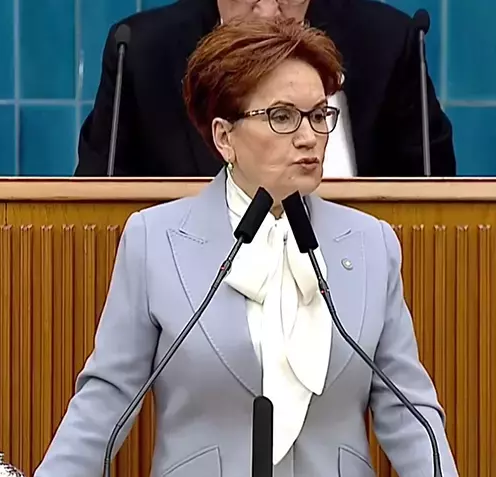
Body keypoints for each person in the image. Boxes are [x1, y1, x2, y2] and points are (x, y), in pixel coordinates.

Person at [36, 18, 458, 477]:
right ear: (224, 137)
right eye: (282, 116)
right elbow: (106, 401)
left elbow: (409, 412)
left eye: (319, 115)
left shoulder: (371, 244)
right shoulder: (155, 240)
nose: (308, 137)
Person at [74, 0, 456, 178]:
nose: (269, 9)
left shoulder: (386, 42)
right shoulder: (142, 51)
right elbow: (97, 199)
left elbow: (434, 196)